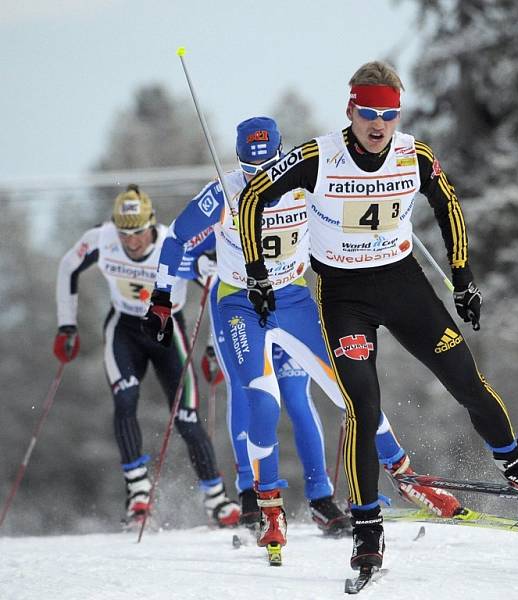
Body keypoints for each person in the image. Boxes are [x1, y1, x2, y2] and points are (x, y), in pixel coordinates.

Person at [236, 62, 518, 571]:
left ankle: (517, 466)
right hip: (344, 295)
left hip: (403, 285)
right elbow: (252, 198)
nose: (378, 125)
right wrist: (257, 274)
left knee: (466, 379)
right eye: (369, 113)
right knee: (363, 407)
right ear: (351, 110)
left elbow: (449, 205)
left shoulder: (412, 154)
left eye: (389, 115)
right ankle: (368, 528)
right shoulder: (317, 156)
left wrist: (463, 280)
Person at [144, 117, 462, 556]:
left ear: (280, 154)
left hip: (292, 299)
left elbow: (358, 204)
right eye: (250, 171)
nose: (260, 181)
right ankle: (269, 507)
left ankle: (407, 478)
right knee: (260, 397)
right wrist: (162, 296)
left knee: (351, 389)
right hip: (240, 303)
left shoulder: (302, 178)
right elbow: (177, 240)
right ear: (239, 162)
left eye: (267, 168)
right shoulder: (222, 191)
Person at [54, 185, 240, 528]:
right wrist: (67, 326)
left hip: (169, 334)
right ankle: (138, 491)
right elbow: (68, 267)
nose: (132, 242)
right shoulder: (101, 239)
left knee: (186, 419)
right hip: (125, 329)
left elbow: (217, 292)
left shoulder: (174, 246)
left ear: (151, 224)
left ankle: (217, 498)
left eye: (138, 232)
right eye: (125, 234)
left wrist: (216, 348)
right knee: (125, 400)